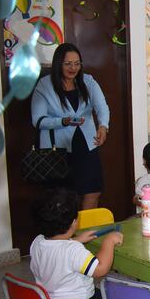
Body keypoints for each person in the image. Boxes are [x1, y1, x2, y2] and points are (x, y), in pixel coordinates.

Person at [30, 43, 110, 210]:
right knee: (61, 198)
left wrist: (103, 126)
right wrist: (62, 121)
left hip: (86, 144)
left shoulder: (88, 81)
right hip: (57, 151)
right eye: (68, 64)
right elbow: (37, 120)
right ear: (58, 63)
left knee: (92, 191)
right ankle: (65, 235)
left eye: (77, 63)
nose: (73, 68)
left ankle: (86, 233)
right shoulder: (45, 85)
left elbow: (102, 107)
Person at [30, 188, 122, 299]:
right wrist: (109, 241)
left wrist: (76, 239)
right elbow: (101, 269)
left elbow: (58, 252)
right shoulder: (72, 250)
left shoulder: (38, 242)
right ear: (74, 222)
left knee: (113, 295)